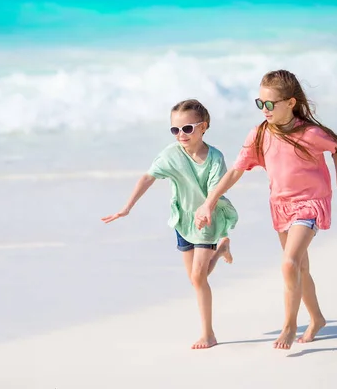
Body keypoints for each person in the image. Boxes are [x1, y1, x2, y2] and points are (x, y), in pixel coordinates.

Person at [195, 70, 337, 350]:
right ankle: (317, 318)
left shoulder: (310, 132)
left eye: (270, 104)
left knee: (288, 263)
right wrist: (209, 202)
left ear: (290, 103)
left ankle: (290, 325)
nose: (265, 110)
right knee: (300, 268)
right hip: (281, 206)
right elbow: (236, 171)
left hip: (310, 203)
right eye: (260, 104)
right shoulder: (259, 134)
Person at [102, 99, 238, 349]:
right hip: (182, 220)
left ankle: (208, 334)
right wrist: (127, 207)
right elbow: (147, 177)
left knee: (198, 278)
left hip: (207, 218)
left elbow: (217, 189)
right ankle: (220, 251)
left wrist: (206, 207)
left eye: (187, 128)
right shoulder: (170, 154)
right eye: (175, 130)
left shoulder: (215, 157)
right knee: (196, 278)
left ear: (203, 126)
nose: (181, 135)